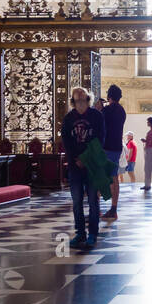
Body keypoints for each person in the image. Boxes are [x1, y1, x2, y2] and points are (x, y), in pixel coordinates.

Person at [61, 86, 104, 248]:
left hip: (92, 165)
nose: (81, 102)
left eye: (84, 99)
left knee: (93, 200)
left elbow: (100, 139)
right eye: (77, 100)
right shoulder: (68, 118)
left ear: (88, 100)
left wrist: (87, 158)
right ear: (73, 101)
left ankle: (92, 233)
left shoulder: (97, 116)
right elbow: (66, 142)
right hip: (75, 166)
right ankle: (80, 232)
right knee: (77, 200)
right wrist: (76, 159)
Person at [101, 84, 126, 221]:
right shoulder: (122, 110)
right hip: (117, 147)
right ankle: (113, 208)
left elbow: (100, 126)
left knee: (100, 177)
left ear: (109, 96)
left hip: (106, 147)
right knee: (114, 177)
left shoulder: (106, 110)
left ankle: (96, 208)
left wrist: (99, 109)